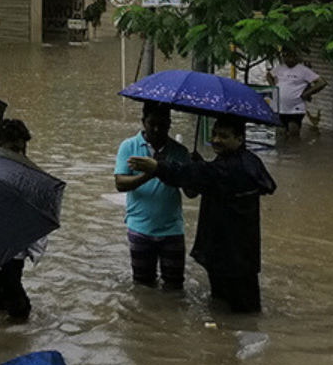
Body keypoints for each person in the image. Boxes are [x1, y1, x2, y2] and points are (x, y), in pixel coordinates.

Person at [129, 113, 277, 313]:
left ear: (240, 139)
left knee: (237, 310)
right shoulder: (248, 161)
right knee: (230, 308)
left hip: (230, 253)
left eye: (223, 136)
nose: (216, 140)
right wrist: (201, 164)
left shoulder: (233, 167)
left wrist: (158, 167)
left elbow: (201, 174)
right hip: (236, 252)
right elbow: (210, 174)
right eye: (214, 134)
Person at [114, 103, 191, 292]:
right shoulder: (129, 146)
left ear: (170, 124)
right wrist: (152, 171)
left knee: (175, 286)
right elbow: (120, 184)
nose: (157, 129)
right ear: (143, 122)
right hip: (140, 227)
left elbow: (191, 192)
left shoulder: (180, 152)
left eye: (163, 125)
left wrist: (194, 170)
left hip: (172, 229)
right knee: (143, 286)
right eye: (152, 124)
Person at [0, 118, 46, 319]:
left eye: (22, 150)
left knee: (10, 296)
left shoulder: (28, 174)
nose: (20, 155)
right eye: (14, 149)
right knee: (5, 300)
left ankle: (9, 335)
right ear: (0, 146)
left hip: (14, 248)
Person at [267, 48, 326, 138]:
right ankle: (282, 151)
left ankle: (295, 151)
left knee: (293, 129)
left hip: (296, 106)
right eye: (285, 57)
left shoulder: (303, 70)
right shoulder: (280, 68)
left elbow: (321, 82)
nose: (287, 59)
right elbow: (269, 75)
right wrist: (273, 88)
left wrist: (307, 94)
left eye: (290, 57)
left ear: (296, 57)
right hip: (280, 106)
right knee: (280, 132)